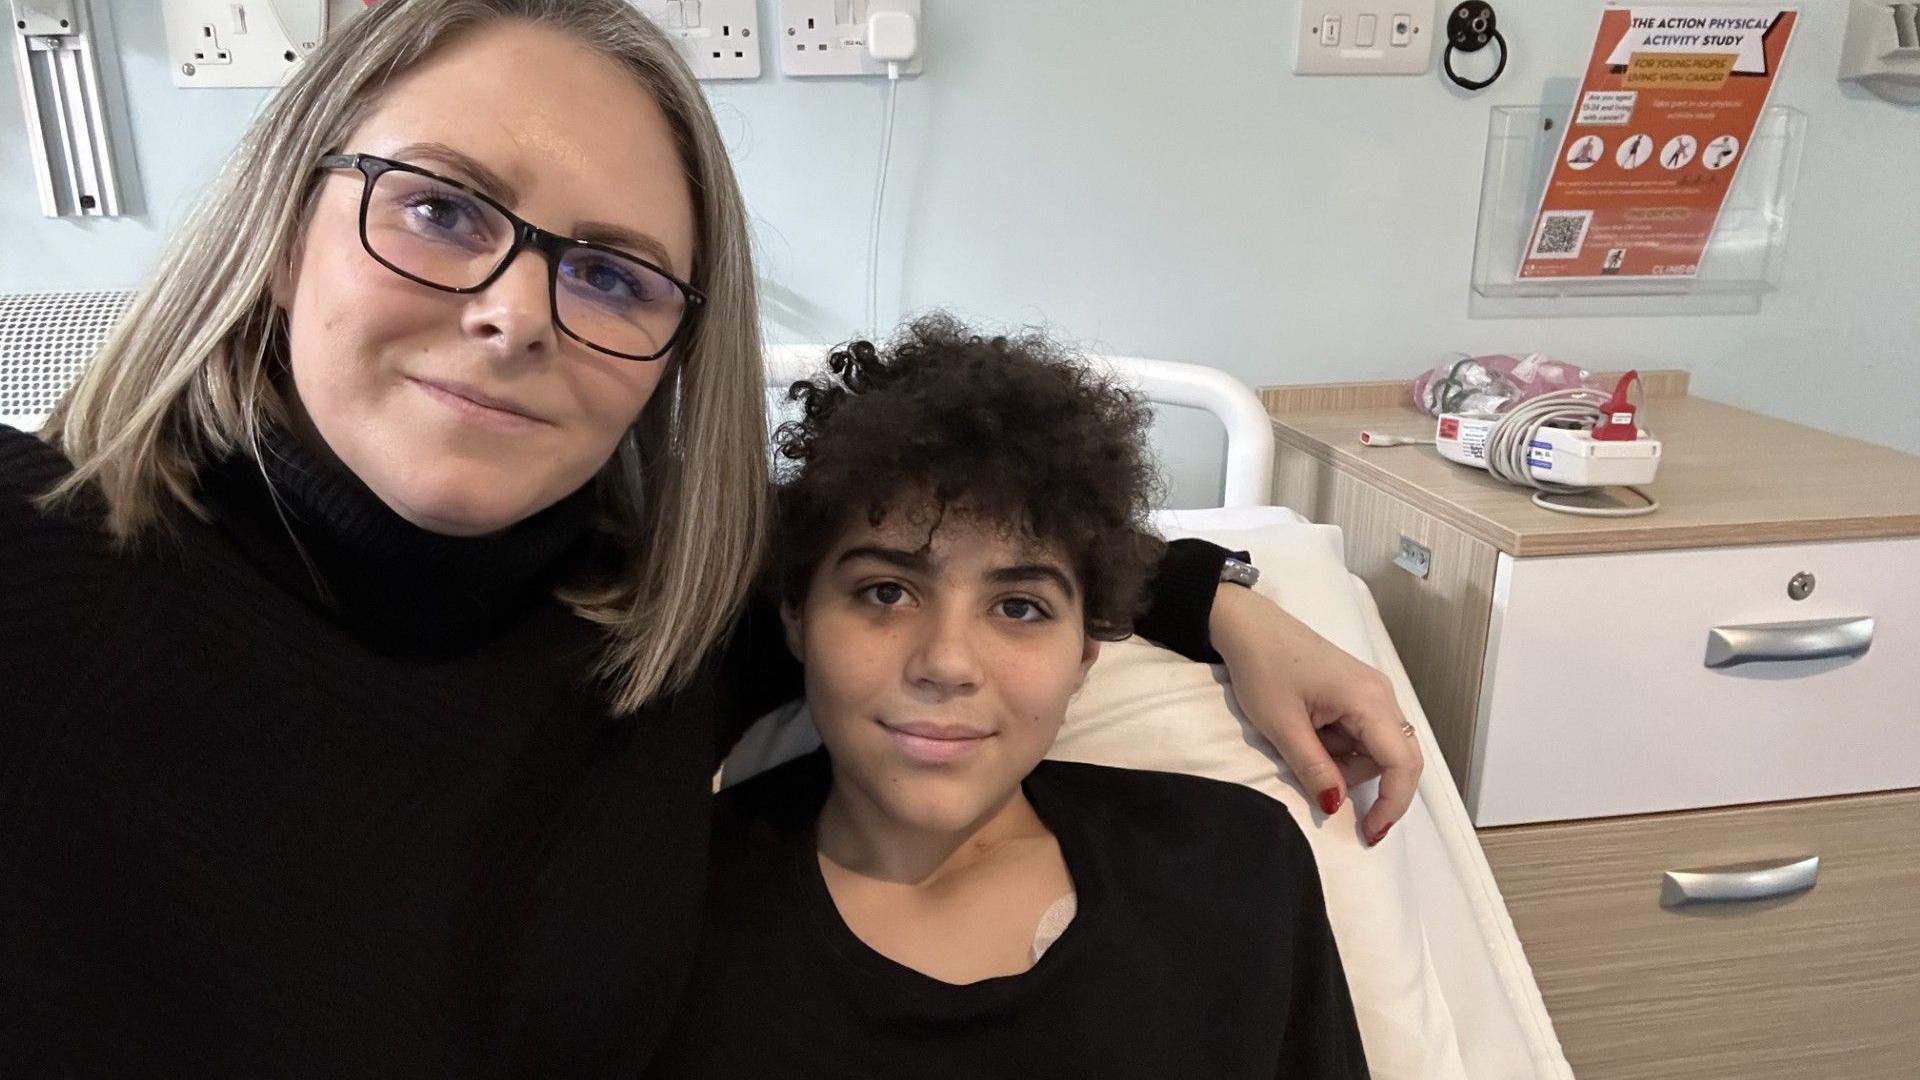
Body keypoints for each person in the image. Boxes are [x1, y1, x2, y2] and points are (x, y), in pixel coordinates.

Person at [0, 1, 1416, 1074]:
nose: (512, 312)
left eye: (608, 274)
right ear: (281, 219)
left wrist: (1226, 593)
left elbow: (933, 561)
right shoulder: (38, 573)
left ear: (672, 355)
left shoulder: (649, 638)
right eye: (437, 208)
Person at [646, 318, 1369, 1078]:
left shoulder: (1233, 867)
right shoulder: (666, 919)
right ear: (796, 616)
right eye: (886, 592)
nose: (947, 663)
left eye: (1018, 607)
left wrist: (1226, 603)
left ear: (1086, 650)